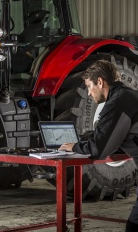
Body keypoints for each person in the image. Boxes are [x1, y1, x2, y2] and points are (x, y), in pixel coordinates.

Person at [59, 59, 138, 232]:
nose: (88, 93)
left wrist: (74, 147)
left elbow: (99, 150)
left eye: (89, 86)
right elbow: (115, 137)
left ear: (100, 82)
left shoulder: (118, 102)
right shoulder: (129, 95)